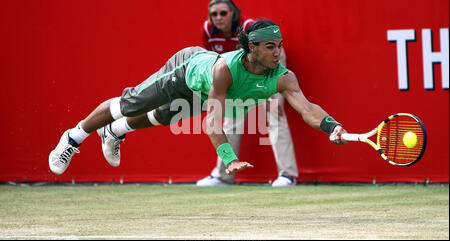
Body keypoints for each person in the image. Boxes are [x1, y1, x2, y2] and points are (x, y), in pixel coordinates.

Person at [48, 20, 348, 179]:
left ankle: (114, 132)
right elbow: (213, 121)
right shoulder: (225, 70)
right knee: (129, 105)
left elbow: (308, 109)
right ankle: (73, 138)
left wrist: (331, 126)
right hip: (186, 69)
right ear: (252, 48)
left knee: (161, 118)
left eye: (279, 46)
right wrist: (229, 159)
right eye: (270, 47)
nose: (277, 53)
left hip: (202, 91)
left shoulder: (283, 77)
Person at [198, 0, 299, 187]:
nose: (218, 18)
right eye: (214, 14)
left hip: (269, 63)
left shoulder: (248, 27)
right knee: (231, 116)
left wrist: (268, 91)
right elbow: (213, 61)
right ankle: (223, 175)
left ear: (233, 13)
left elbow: (270, 52)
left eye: (223, 13)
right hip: (236, 70)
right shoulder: (207, 30)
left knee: (275, 113)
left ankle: (288, 175)